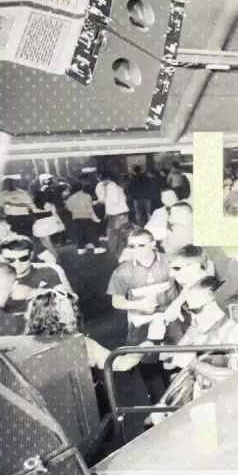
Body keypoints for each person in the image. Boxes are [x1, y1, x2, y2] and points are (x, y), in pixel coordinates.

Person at [107, 228, 178, 402]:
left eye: (141, 245)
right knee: (148, 367)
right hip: (142, 323)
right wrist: (139, 304)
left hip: (170, 320)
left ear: (153, 244)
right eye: (132, 246)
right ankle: (158, 405)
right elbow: (116, 302)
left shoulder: (170, 261)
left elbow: (189, 285)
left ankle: (178, 401)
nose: (136, 250)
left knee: (175, 362)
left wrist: (176, 305)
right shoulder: (123, 271)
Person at [0, 236, 70, 315]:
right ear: (1, 258)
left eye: (23, 258)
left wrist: (32, 292)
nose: (17, 264)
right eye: (10, 260)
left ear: (31, 255)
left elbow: (68, 300)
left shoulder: (47, 271)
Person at [96, 172, 131, 259]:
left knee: (119, 233)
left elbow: (113, 201)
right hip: (119, 213)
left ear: (107, 179)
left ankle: (121, 252)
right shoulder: (115, 187)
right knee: (119, 232)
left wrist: (107, 206)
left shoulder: (111, 186)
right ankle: (121, 251)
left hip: (117, 213)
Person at [65, 181, 104, 255]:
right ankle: (97, 248)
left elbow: (69, 208)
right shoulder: (86, 196)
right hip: (86, 216)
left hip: (76, 217)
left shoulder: (70, 198)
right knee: (92, 232)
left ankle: (81, 249)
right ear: (81, 188)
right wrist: (96, 218)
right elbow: (90, 208)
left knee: (79, 233)